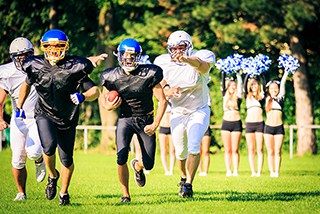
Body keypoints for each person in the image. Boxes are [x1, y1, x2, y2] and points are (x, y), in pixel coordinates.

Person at [16, 29, 107, 205]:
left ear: (65, 47)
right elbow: (25, 85)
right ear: (43, 47)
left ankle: (64, 193)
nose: (54, 50)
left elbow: (95, 90)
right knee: (48, 147)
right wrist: (19, 105)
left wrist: (83, 97)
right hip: (44, 113)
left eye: (59, 46)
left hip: (68, 117)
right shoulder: (34, 65)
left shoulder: (76, 66)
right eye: (50, 46)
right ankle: (52, 176)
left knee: (67, 159)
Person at [100, 38, 167, 203]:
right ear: (119, 56)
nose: (129, 59)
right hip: (125, 119)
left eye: (132, 55)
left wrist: (155, 124)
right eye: (125, 55)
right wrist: (108, 106)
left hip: (146, 119)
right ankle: (125, 195)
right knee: (121, 156)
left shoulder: (150, 73)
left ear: (138, 56)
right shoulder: (111, 75)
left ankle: (138, 166)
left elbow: (163, 101)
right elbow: (103, 99)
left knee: (149, 164)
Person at [154, 30, 215, 197]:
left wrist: (186, 59)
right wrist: (167, 90)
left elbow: (202, 66)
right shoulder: (162, 62)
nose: (178, 51)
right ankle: (183, 177)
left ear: (189, 47)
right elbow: (157, 86)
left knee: (194, 145)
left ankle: (188, 184)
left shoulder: (201, 56)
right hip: (178, 111)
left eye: (181, 47)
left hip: (199, 109)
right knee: (180, 151)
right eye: (174, 48)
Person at [0, 37, 46, 201]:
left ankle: (39, 160)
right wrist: (0, 119)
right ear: (13, 57)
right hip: (18, 119)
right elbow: (0, 100)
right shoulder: (6, 72)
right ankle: (21, 192)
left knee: (33, 152)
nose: (23, 59)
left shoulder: (42, 64)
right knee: (17, 159)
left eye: (27, 55)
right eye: (19, 56)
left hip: (38, 117)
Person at [264, 71, 289, 178]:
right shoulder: (266, 99)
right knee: (270, 151)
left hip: (279, 128)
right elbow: (262, 82)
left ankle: (277, 172)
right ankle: (271, 172)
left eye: (276, 88)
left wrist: (286, 73)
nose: (274, 90)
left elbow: (283, 83)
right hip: (268, 128)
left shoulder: (280, 98)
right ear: (268, 90)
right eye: (271, 88)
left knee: (278, 151)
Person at [220, 71, 243, 177]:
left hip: (236, 123)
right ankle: (228, 170)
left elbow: (241, 83)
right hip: (226, 124)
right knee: (228, 149)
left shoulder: (238, 97)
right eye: (231, 86)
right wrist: (223, 69)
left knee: (235, 149)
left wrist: (238, 73)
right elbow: (222, 79)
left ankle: (236, 170)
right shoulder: (224, 95)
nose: (233, 87)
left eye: (235, 86)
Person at [244, 75, 266, 177]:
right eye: (252, 84)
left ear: (258, 85)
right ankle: (253, 171)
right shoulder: (246, 95)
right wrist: (248, 74)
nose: (254, 86)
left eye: (255, 84)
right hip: (249, 124)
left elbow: (264, 84)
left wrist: (260, 74)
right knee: (251, 149)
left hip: (259, 124)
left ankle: (259, 172)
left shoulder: (262, 96)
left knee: (260, 149)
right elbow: (244, 84)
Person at [158, 104, 175, 175]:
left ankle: (171, 170)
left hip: (172, 127)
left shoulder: (173, 99)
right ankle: (166, 170)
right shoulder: (161, 99)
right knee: (163, 150)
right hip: (162, 127)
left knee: (172, 150)